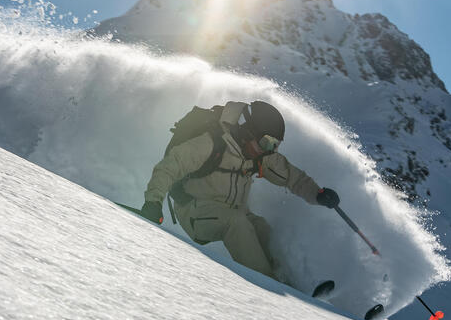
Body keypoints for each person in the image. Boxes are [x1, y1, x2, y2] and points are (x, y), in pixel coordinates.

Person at [140, 101, 340, 282]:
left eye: (274, 145)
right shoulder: (211, 144)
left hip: (233, 211)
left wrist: (318, 194)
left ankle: (291, 282)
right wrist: (153, 202)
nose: (268, 149)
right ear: (247, 131)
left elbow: (291, 176)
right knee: (236, 223)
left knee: (262, 227)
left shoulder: (259, 155)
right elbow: (169, 166)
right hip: (194, 212)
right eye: (266, 142)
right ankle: (268, 285)